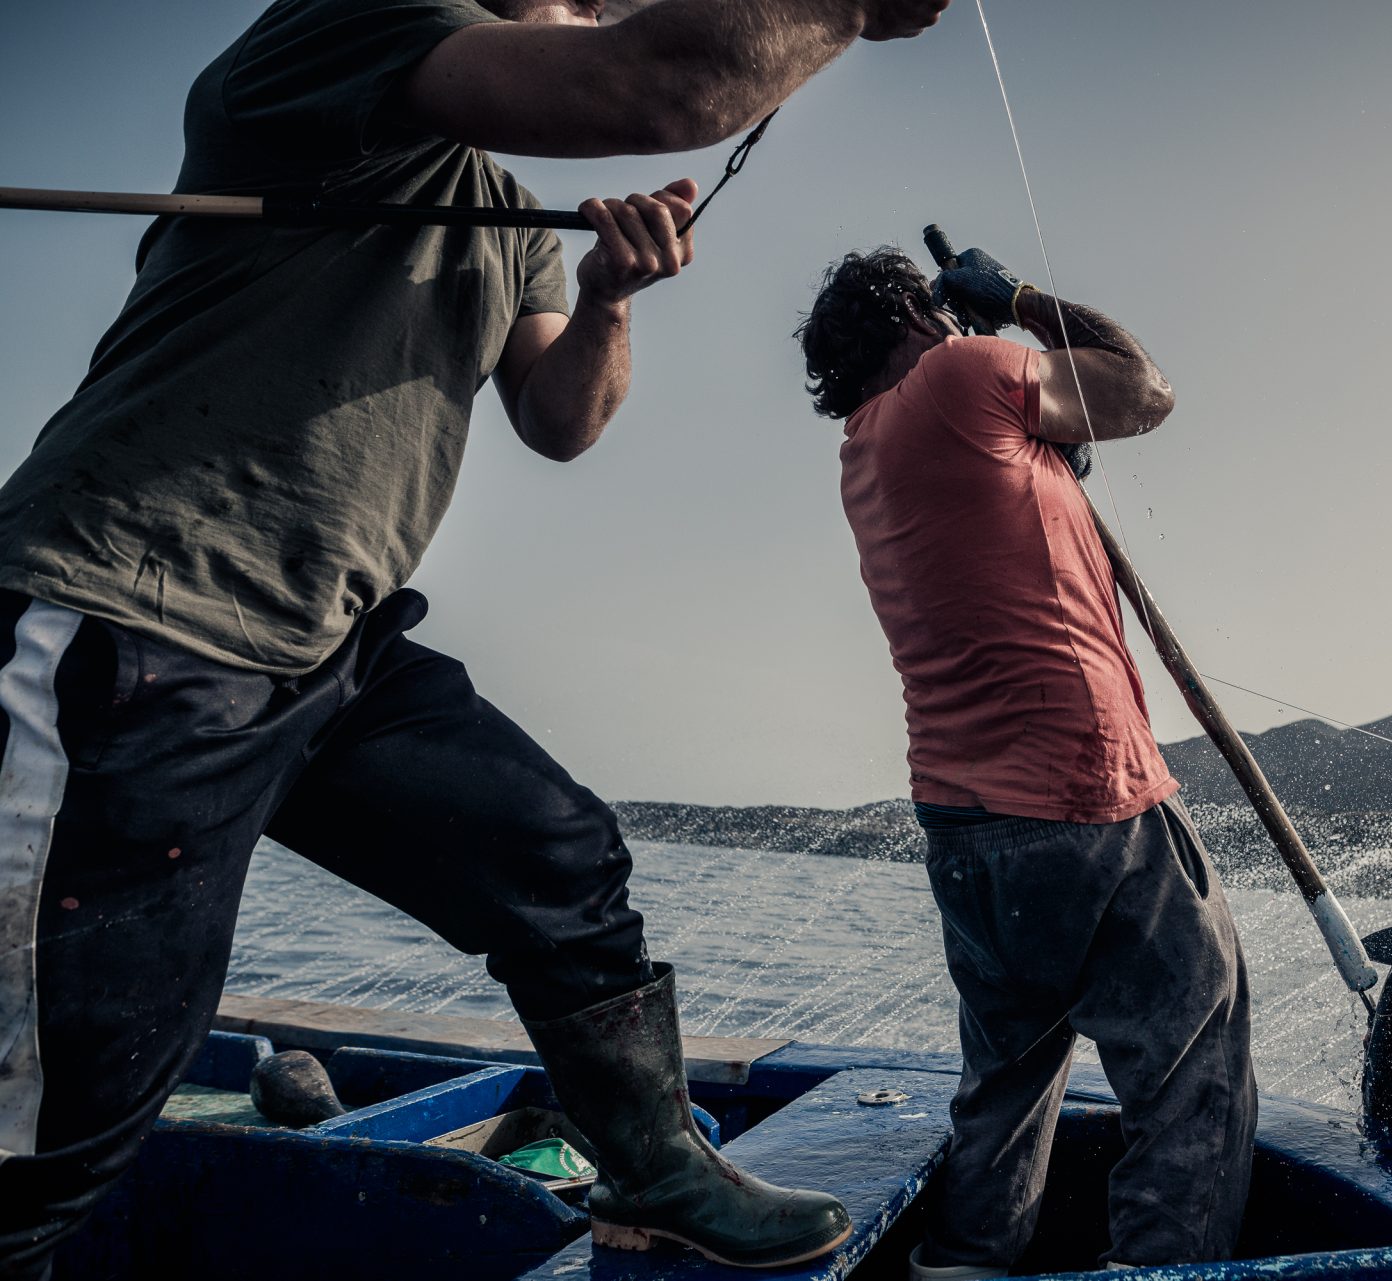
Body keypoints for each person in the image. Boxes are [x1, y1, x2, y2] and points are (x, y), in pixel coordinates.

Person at [0, 0, 949, 1275]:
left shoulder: (512, 220)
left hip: (330, 651)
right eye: (586, 3)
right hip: (132, 616)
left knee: (556, 855)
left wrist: (609, 299)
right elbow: (661, 86)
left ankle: (657, 1171)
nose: (604, 11)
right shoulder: (346, 31)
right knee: (58, 1126)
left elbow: (562, 419)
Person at [795, 246, 1258, 1274]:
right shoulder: (961, 377)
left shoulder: (865, 452)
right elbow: (1145, 390)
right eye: (936, 314)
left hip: (966, 831)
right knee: (1196, 1057)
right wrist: (1016, 299)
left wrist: (1043, 449)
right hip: (1084, 800)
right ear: (913, 318)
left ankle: (963, 1262)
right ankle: (1164, 1269)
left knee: (1007, 1085)